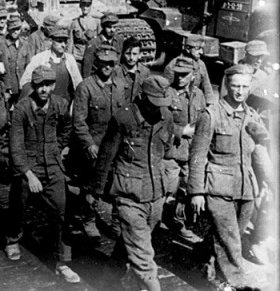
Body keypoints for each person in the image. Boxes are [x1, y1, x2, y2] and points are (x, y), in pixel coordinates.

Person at [188, 64, 269, 290]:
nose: (239, 91)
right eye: (235, 86)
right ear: (226, 86)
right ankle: (237, 284)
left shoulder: (252, 116)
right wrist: (196, 192)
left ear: (250, 87)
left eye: (244, 86)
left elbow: (260, 153)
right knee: (231, 240)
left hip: (246, 188)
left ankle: (202, 257)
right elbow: (198, 155)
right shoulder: (211, 115)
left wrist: (271, 183)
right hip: (218, 188)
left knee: (227, 235)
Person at [92, 75, 176, 291]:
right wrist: (96, 191)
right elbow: (106, 155)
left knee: (132, 245)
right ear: (141, 97)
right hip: (128, 195)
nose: (157, 109)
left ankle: (107, 282)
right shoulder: (123, 118)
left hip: (156, 194)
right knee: (144, 256)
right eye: (153, 103)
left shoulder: (166, 116)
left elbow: (165, 152)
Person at [5, 65, 80, 283]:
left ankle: (62, 262)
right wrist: (29, 175)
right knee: (19, 201)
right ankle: (12, 239)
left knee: (61, 209)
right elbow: (15, 147)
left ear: (54, 85)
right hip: (28, 165)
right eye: (39, 85)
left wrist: (57, 147)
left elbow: (67, 128)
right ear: (33, 85)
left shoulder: (60, 104)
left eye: (48, 85)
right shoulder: (21, 109)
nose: (44, 89)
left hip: (52, 164)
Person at [72, 45, 127, 241]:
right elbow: (78, 120)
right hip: (94, 148)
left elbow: (126, 116)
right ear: (96, 63)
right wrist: (88, 144)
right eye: (103, 63)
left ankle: (116, 222)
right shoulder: (86, 87)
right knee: (91, 188)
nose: (107, 67)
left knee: (118, 185)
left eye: (111, 63)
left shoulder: (121, 86)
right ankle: (88, 219)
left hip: (117, 147)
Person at [162, 57, 205, 243]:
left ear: (193, 76)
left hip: (190, 153)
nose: (179, 78)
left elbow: (202, 120)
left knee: (186, 190)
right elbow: (160, 122)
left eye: (184, 75)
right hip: (170, 150)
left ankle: (179, 223)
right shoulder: (167, 93)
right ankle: (157, 223)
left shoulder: (198, 95)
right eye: (177, 74)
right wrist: (181, 131)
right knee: (167, 190)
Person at [20, 25, 82, 105]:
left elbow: (79, 84)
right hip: (44, 104)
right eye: (59, 41)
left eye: (65, 41)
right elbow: (25, 82)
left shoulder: (69, 59)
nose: (63, 45)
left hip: (65, 103)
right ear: (50, 41)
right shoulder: (39, 58)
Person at [164, 34, 215, 105]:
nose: (201, 52)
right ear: (188, 49)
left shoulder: (201, 65)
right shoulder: (174, 64)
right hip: (176, 102)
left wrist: (209, 103)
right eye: (198, 48)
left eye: (202, 48)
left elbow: (207, 87)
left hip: (194, 102)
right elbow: (165, 88)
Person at [81, 12, 124, 78]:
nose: (112, 30)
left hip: (115, 77)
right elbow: (87, 67)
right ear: (103, 27)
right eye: (109, 27)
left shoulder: (119, 41)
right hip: (98, 78)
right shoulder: (93, 43)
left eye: (114, 27)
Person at [113, 36, 150, 103]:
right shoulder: (116, 71)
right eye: (128, 54)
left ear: (140, 55)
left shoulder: (145, 71)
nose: (131, 58)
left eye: (135, 54)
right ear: (123, 54)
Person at [67, 0, 100, 70]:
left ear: (91, 6)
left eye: (87, 6)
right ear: (80, 6)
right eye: (83, 5)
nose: (85, 8)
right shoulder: (74, 22)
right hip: (77, 55)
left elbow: (100, 40)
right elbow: (70, 41)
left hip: (92, 55)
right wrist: (69, 56)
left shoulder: (96, 21)